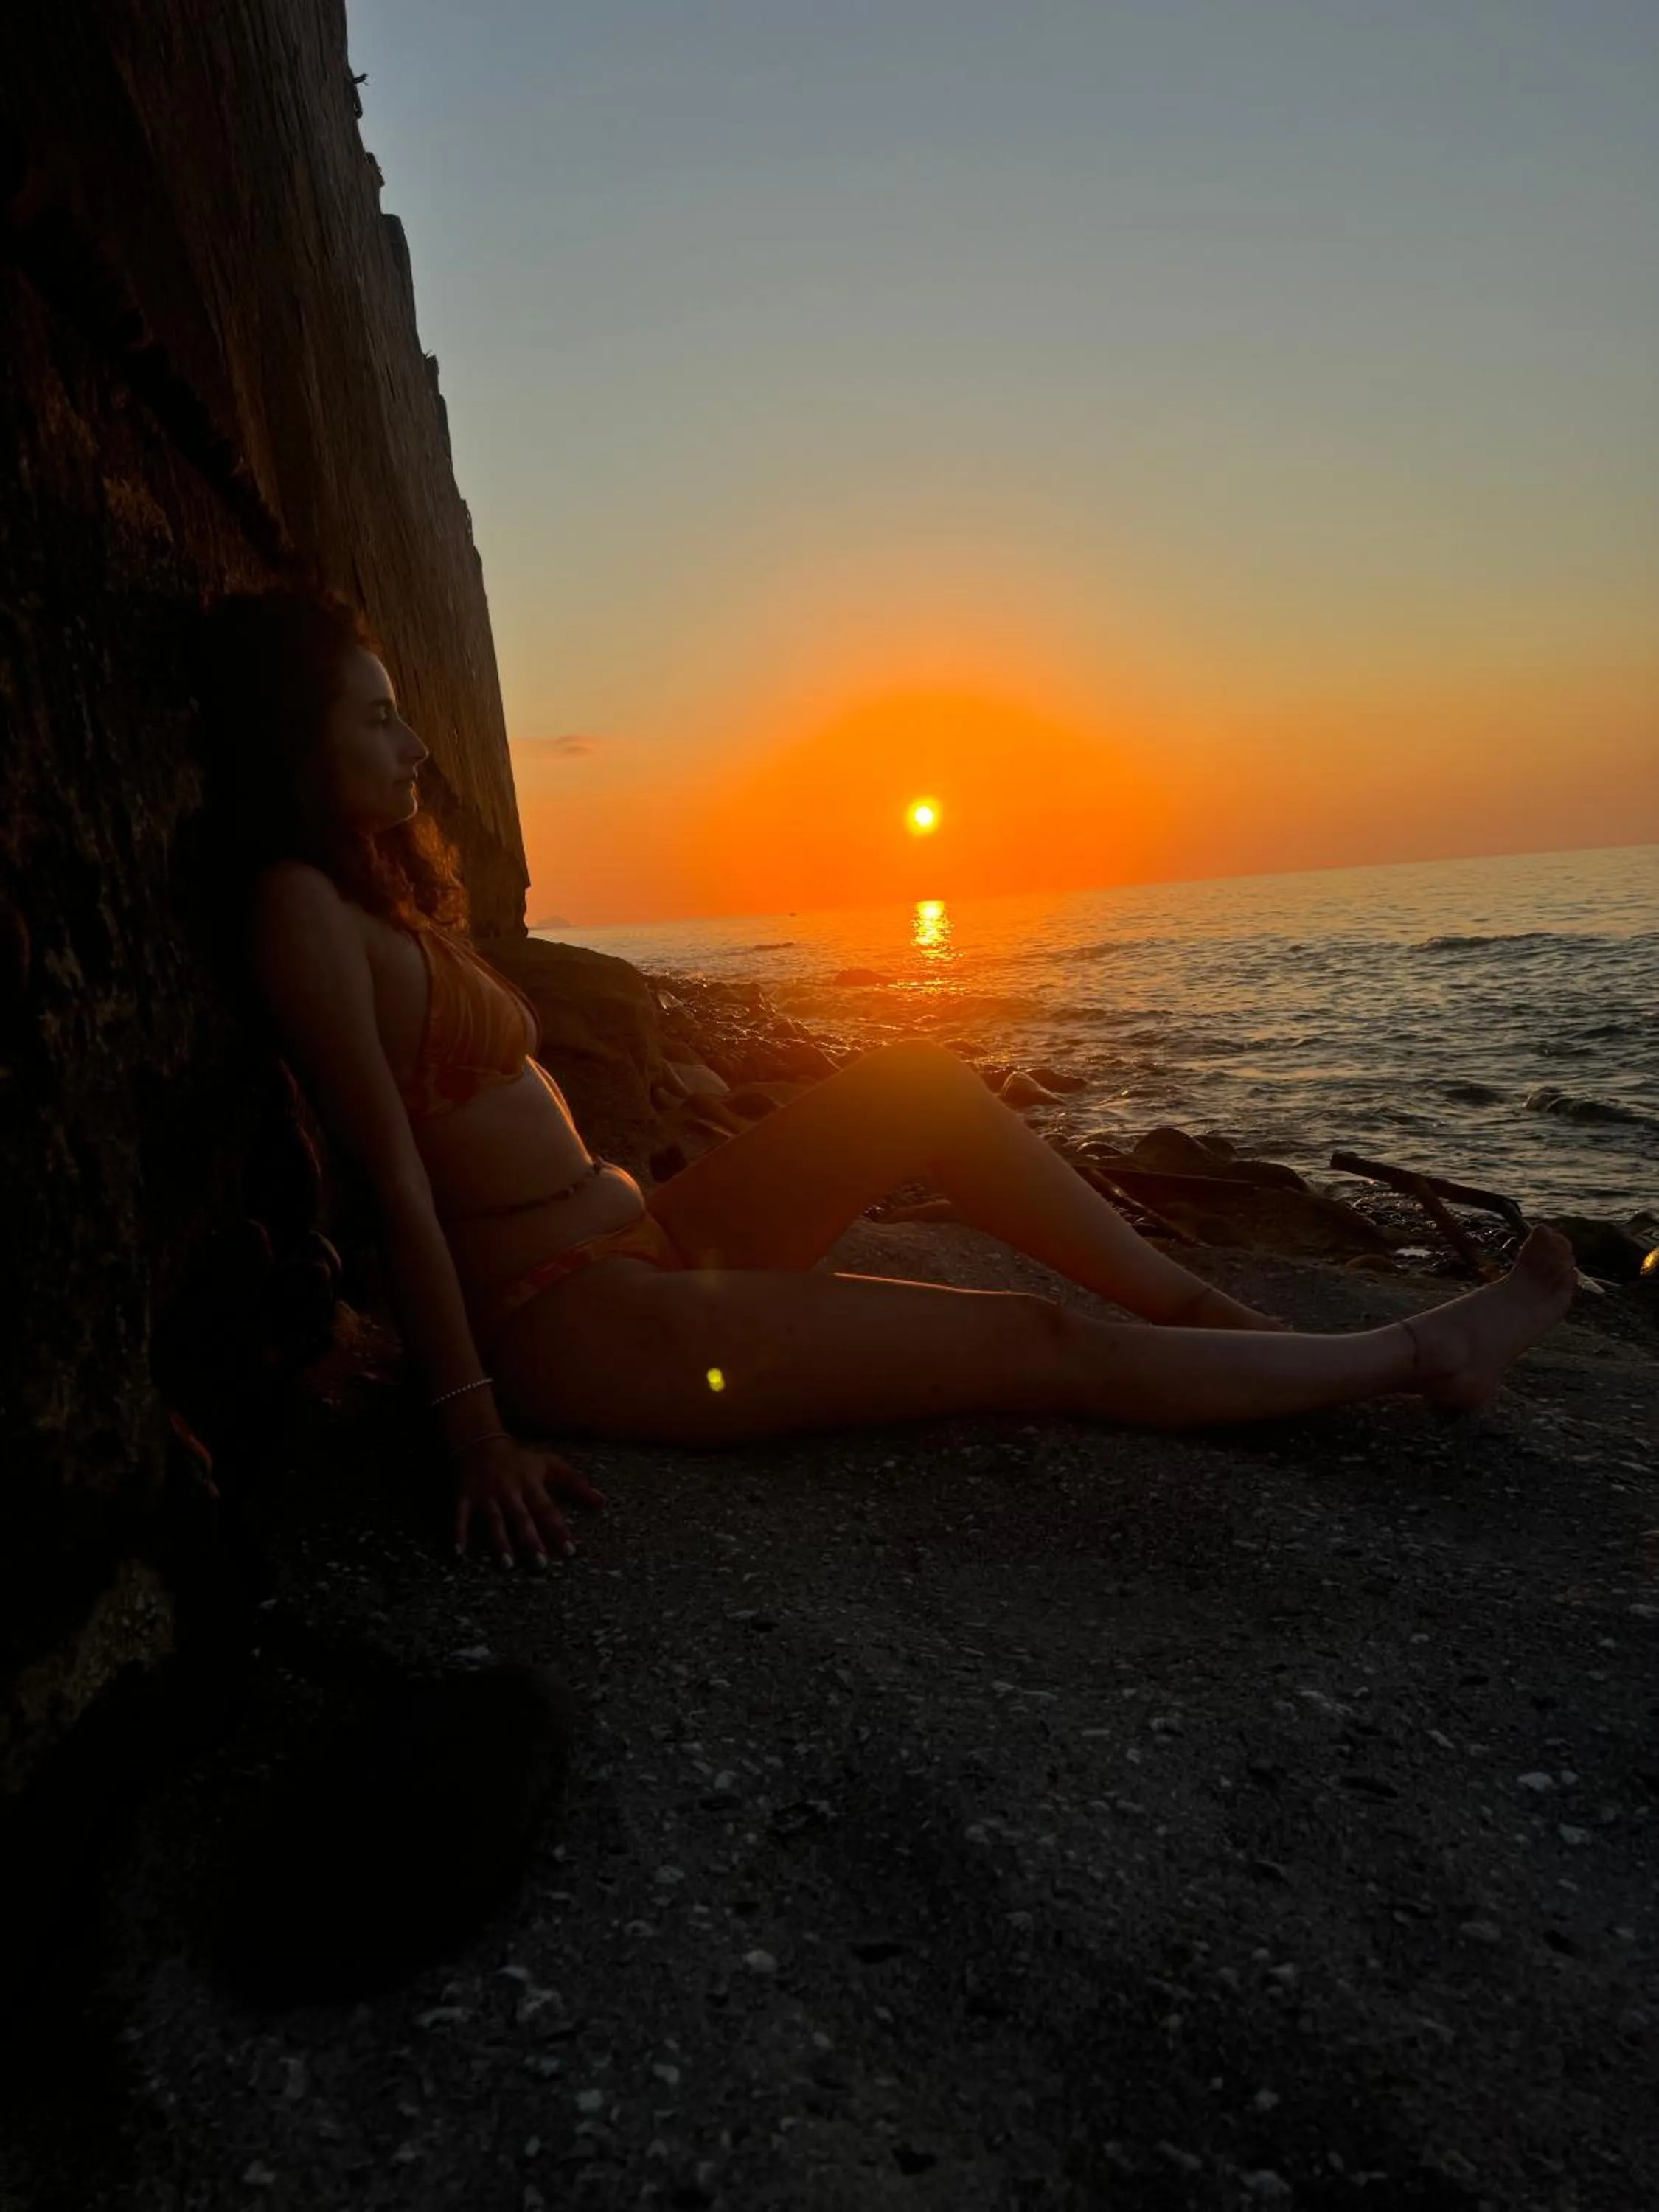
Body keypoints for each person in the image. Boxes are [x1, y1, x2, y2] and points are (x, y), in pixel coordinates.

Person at [198, 588, 1577, 1571]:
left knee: (916, 1075)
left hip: (646, 1236)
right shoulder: (296, 913)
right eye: (374, 719)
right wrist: (472, 1437)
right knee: (1024, 1345)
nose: (412, 744)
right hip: (572, 1317)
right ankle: (1415, 1354)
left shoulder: (381, 904)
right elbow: (390, 1184)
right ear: (293, 739)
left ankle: (1225, 1326)